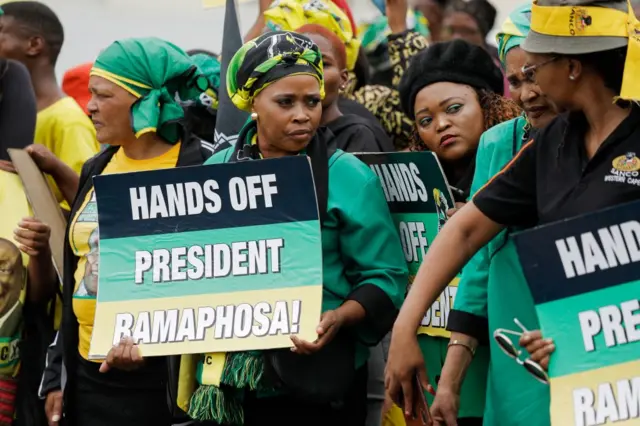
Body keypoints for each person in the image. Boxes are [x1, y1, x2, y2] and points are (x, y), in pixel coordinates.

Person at [385, 0, 640, 422]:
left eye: (535, 69)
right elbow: (467, 232)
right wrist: (404, 328)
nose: (526, 87)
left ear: (572, 67)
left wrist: (600, 328)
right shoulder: (554, 142)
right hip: (585, 391)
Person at [184, 30, 407, 426]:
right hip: (228, 388)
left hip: (317, 385)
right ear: (253, 102)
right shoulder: (215, 172)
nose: (302, 114)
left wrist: (339, 316)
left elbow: (385, 277)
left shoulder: (348, 177)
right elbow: (186, 270)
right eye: (285, 102)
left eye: (312, 101)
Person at [39, 37, 213, 426]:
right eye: (91, 94)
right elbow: (79, 273)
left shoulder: (202, 170)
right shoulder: (98, 167)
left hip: (158, 389)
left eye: (103, 95)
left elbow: (216, 281)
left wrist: (155, 345)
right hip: (87, 379)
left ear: (143, 101)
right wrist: (58, 372)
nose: (90, 106)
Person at [428, 4, 558, 425]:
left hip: (587, 334)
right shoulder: (499, 144)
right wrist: (449, 382)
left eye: (534, 76)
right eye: (515, 80)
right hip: (513, 347)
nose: (526, 94)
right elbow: (477, 264)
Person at [393, 38, 520, 425]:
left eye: (453, 109)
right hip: (432, 380)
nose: (441, 125)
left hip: (498, 372)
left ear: (487, 103)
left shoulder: (520, 164)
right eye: (425, 120)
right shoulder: (408, 189)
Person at [0, 1, 99, 208]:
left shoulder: (68, 120)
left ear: (34, 45)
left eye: (1, 32)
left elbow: (88, 200)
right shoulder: (9, 113)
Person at [298, 24, 394, 152]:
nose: (311, 73)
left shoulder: (359, 135)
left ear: (343, 79)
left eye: (323, 64)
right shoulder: (285, 135)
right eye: (300, 63)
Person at [440, 0, 509, 96]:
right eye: (450, 30)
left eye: (467, 31)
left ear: (483, 35)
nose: (457, 38)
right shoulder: (429, 67)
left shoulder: (502, 69)